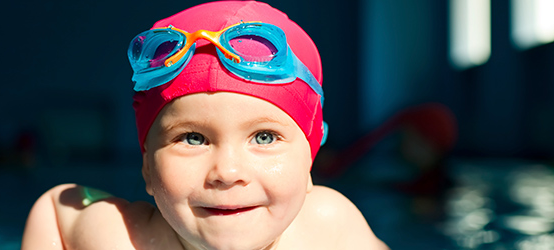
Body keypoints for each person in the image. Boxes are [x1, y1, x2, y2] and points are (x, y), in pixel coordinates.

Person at [22, 1, 388, 249]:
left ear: (309, 161)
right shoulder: (124, 239)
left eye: (264, 136)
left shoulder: (330, 230)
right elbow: (56, 207)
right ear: (147, 165)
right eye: (193, 138)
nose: (227, 172)